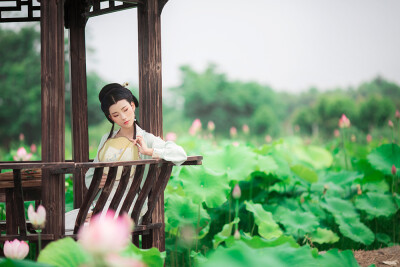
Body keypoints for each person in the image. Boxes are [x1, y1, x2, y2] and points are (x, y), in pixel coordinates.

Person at [65, 83, 187, 230]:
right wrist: (99, 181)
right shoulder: (106, 139)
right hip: (102, 202)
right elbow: (90, 176)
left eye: (125, 110)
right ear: (110, 117)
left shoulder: (146, 138)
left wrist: (149, 151)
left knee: (90, 228)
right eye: (116, 115)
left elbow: (180, 154)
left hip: (129, 205)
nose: (123, 117)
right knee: (64, 223)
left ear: (133, 106)